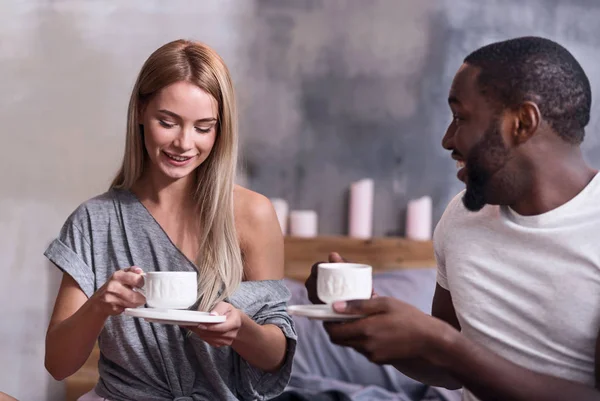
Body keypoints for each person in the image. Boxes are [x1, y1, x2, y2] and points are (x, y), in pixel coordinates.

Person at [305, 36, 600, 401]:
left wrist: (445, 345)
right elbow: (445, 370)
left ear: (522, 122)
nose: (447, 139)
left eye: (461, 117)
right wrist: (369, 321)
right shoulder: (461, 217)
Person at [44, 39, 296, 401]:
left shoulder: (251, 214)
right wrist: (99, 305)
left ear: (220, 129)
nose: (184, 143)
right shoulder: (93, 221)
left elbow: (276, 359)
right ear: (141, 112)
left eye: (203, 127)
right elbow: (58, 364)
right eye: (168, 122)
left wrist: (241, 330)